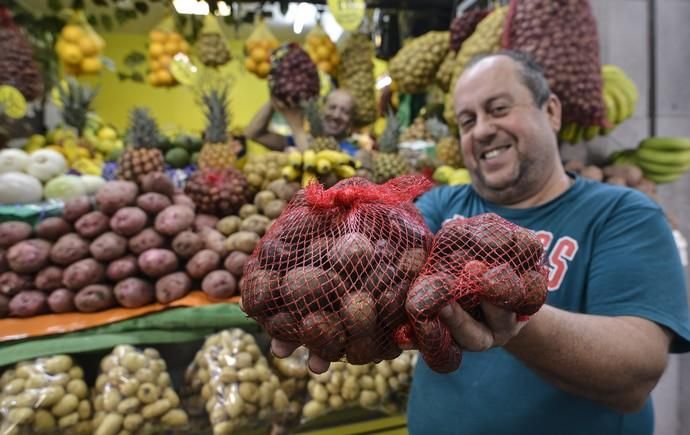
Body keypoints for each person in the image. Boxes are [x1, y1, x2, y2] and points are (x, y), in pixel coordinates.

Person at [270, 50, 690, 434]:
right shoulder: (435, 208)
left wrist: (516, 322)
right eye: (467, 121)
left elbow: (637, 374)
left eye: (499, 109)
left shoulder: (624, 214)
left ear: (552, 111)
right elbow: (375, 281)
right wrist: (318, 301)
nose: (483, 130)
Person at [243, 88, 356, 153]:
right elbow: (252, 134)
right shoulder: (302, 139)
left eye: (345, 112)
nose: (336, 115)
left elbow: (316, 168)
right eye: (332, 107)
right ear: (322, 109)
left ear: (351, 120)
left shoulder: (353, 152)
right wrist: (275, 98)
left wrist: (296, 126)